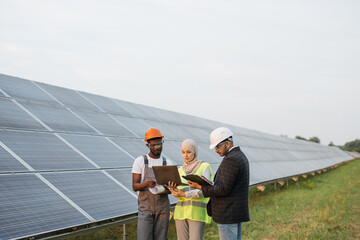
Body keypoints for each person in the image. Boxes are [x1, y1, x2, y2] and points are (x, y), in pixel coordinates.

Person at [188, 127, 250, 240]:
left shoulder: (231, 159)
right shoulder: (239, 156)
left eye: (217, 146)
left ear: (227, 143)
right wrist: (209, 183)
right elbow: (229, 184)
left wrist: (200, 187)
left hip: (227, 214)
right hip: (233, 213)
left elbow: (223, 189)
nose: (216, 150)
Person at [132, 128, 174, 240]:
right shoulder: (140, 161)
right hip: (145, 207)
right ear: (147, 145)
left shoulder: (167, 163)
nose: (156, 148)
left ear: (162, 143)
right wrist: (146, 184)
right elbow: (135, 186)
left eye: (159, 144)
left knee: (161, 237)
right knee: (144, 237)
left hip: (162, 207)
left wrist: (162, 189)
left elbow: (172, 189)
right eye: (153, 145)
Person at [168, 139, 213, 240]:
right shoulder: (180, 170)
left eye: (188, 152)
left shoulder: (204, 166)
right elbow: (178, 191)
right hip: (181, 212)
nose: (186, 155)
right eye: (183, 152)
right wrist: (173, 190)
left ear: (194, 152)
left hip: (196, 213)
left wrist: (184, 195)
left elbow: (204, 190)